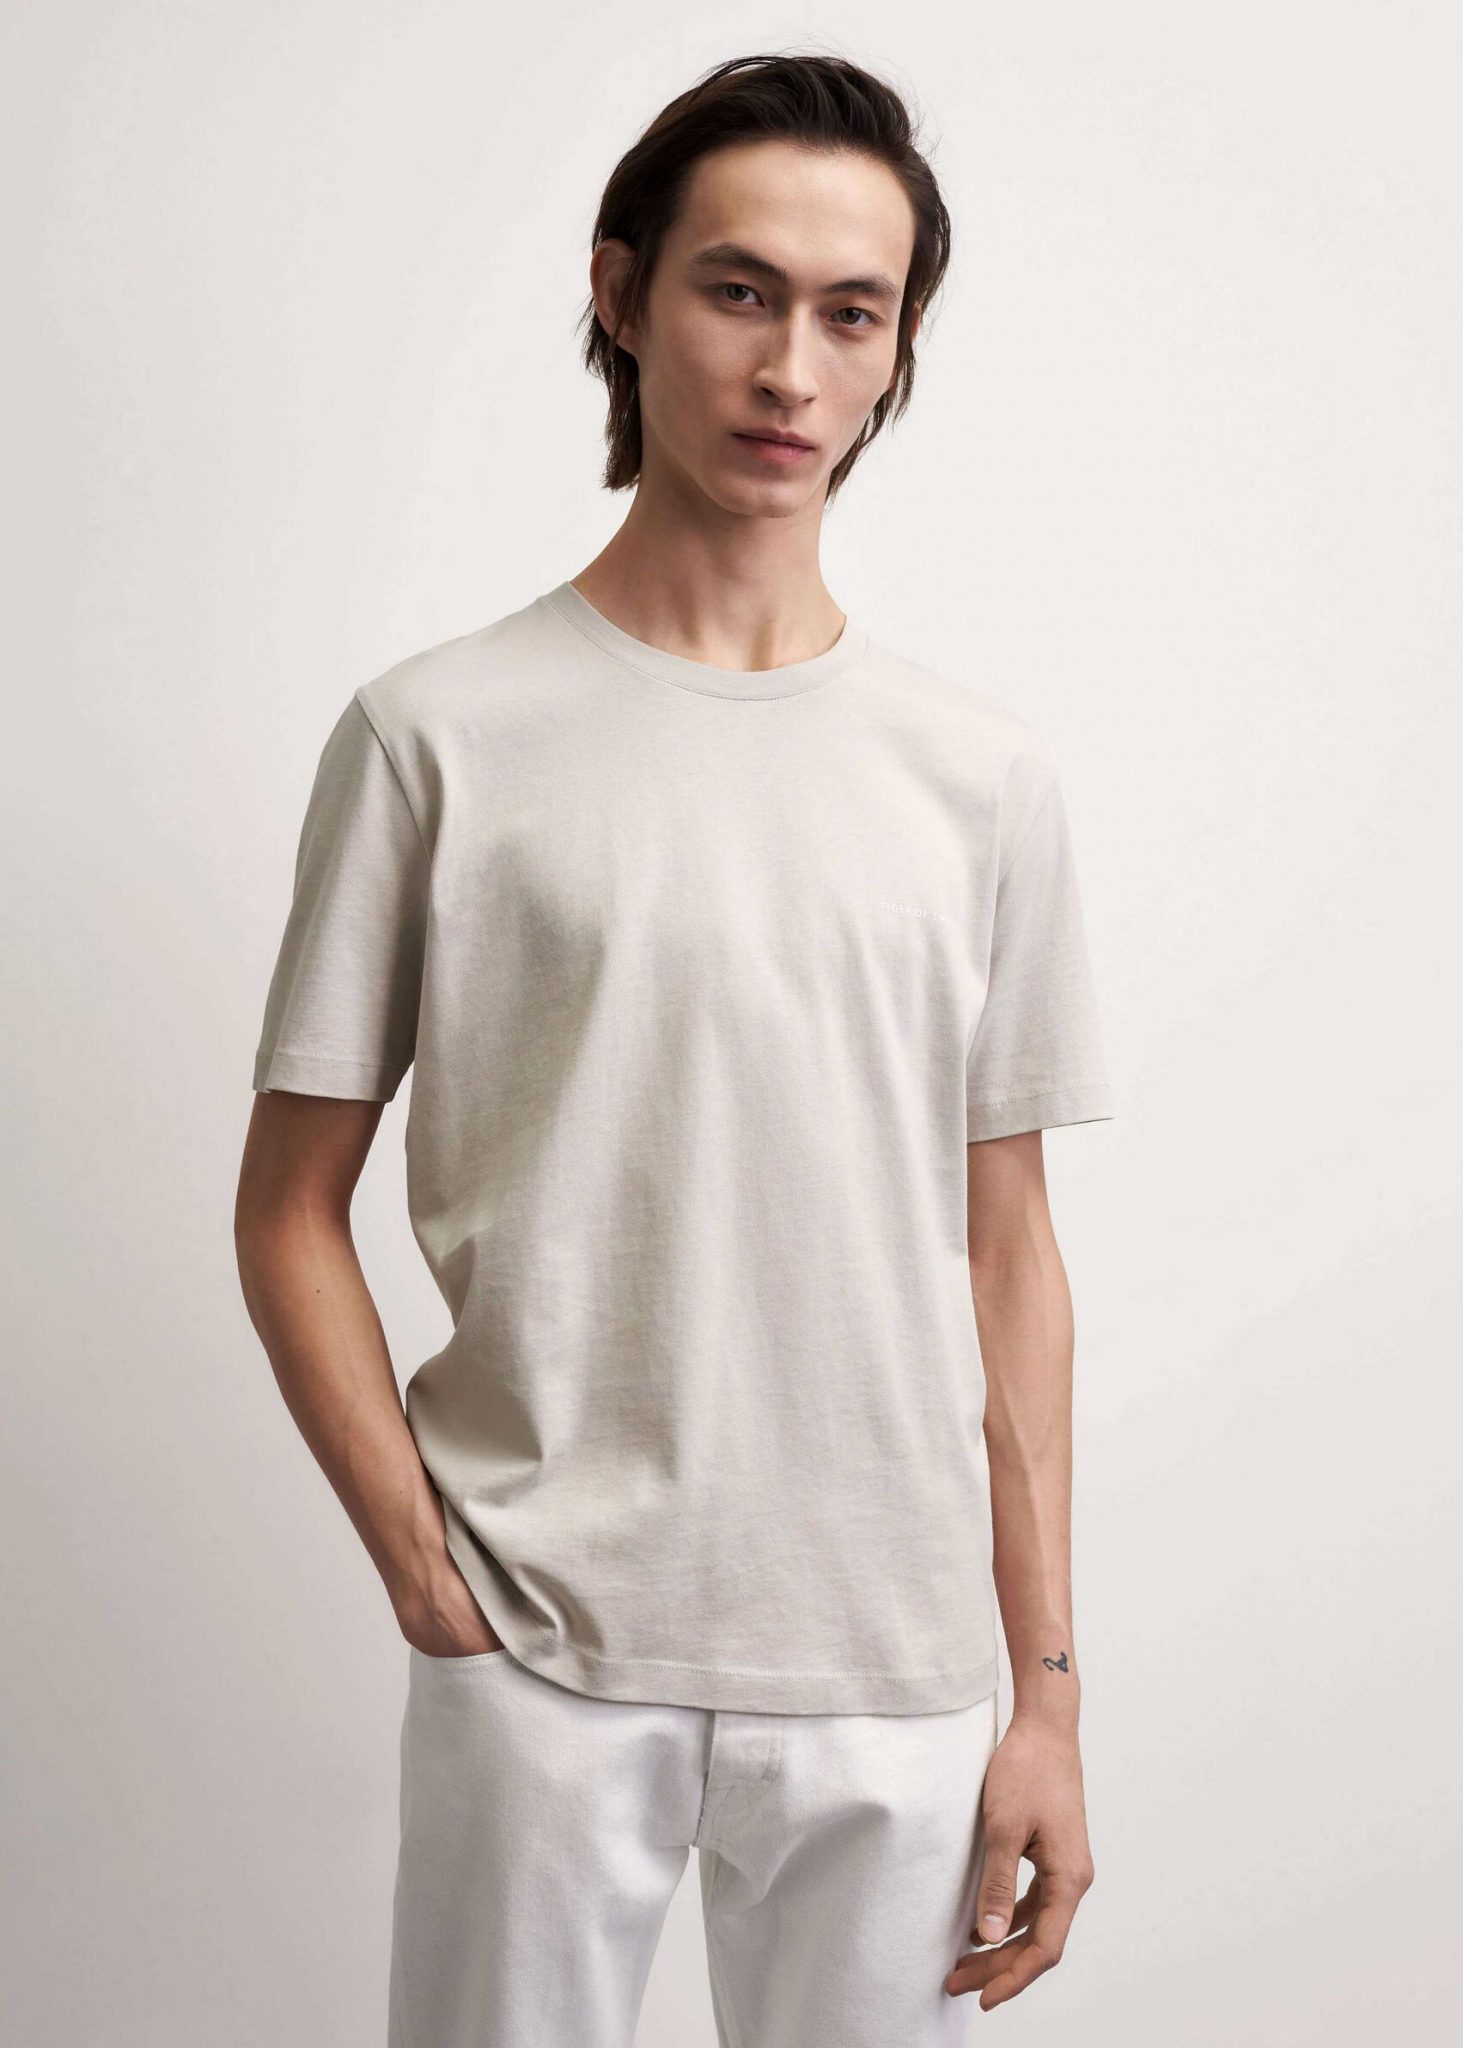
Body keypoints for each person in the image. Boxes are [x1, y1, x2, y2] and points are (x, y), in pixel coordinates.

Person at [233, 50, 1114, 2045]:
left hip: (893, 1671)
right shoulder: (436, 737)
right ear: (622, 295)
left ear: (896, 355)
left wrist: (1049, 1697)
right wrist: (425, 1569)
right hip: (544, 1647)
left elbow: (1011, 1259)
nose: (791, 368)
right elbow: (287, 1207)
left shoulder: (979, 778)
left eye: (853, 314)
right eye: (739, 291)